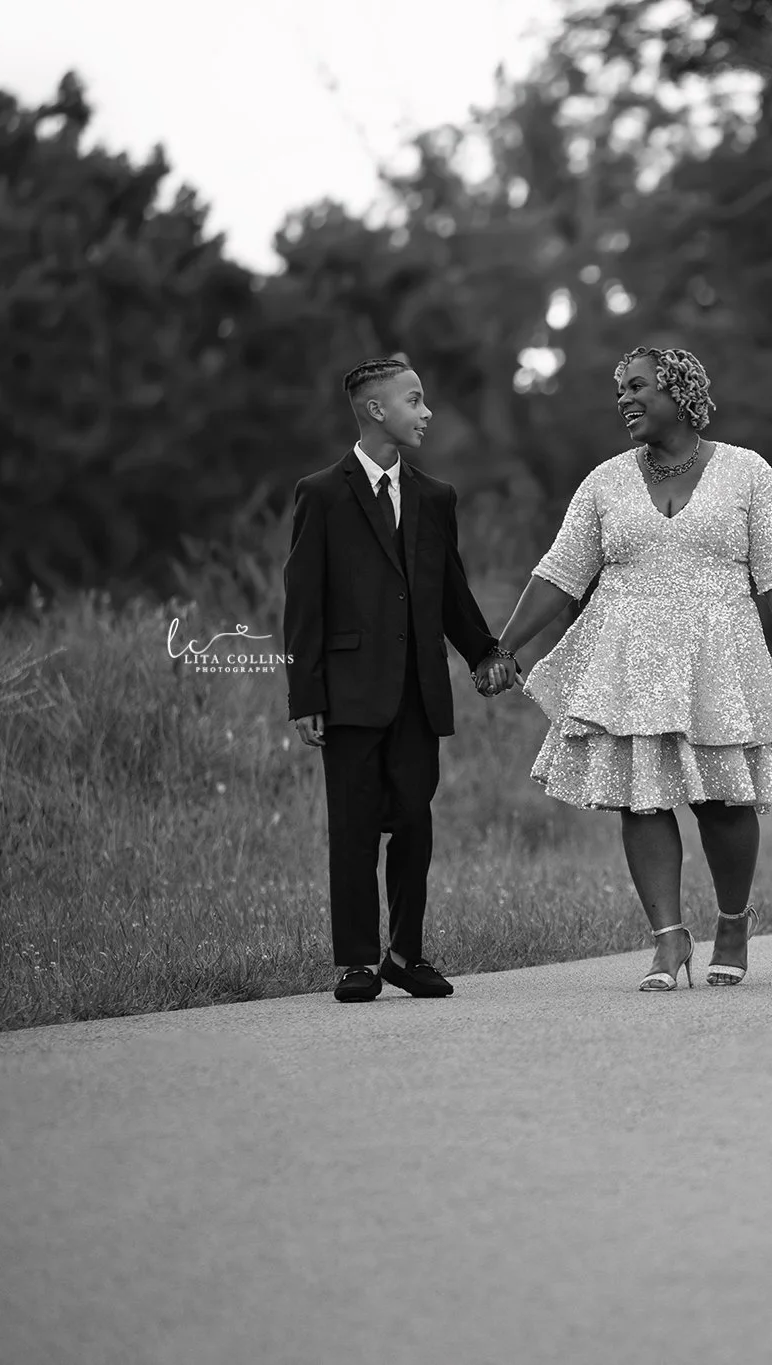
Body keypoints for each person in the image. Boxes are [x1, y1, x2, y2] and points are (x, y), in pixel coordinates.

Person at [491, 346, 772, 991]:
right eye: (619, 389)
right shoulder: (604, 482)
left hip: (718, 656)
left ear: (680, 392)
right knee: (642, 801)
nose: (624, 399)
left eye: (637, 386)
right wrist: (504, 647)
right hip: (630, 662)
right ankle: (668, 938)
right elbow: (560, 575)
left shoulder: (747, 472)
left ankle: (732, 923)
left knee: (723, 800)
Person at [284, 358, 515, 1003]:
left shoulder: (435, 498)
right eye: (414, 401)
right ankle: (357, 961)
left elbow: (451, 592)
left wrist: (486, 653)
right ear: (376, 410)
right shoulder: (321, 494)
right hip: (349, 693)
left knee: (414, 820)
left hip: (418, 691)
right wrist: (306, 694)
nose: (426, 412)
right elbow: (303, 603)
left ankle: (405, 955)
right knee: (354, 827)